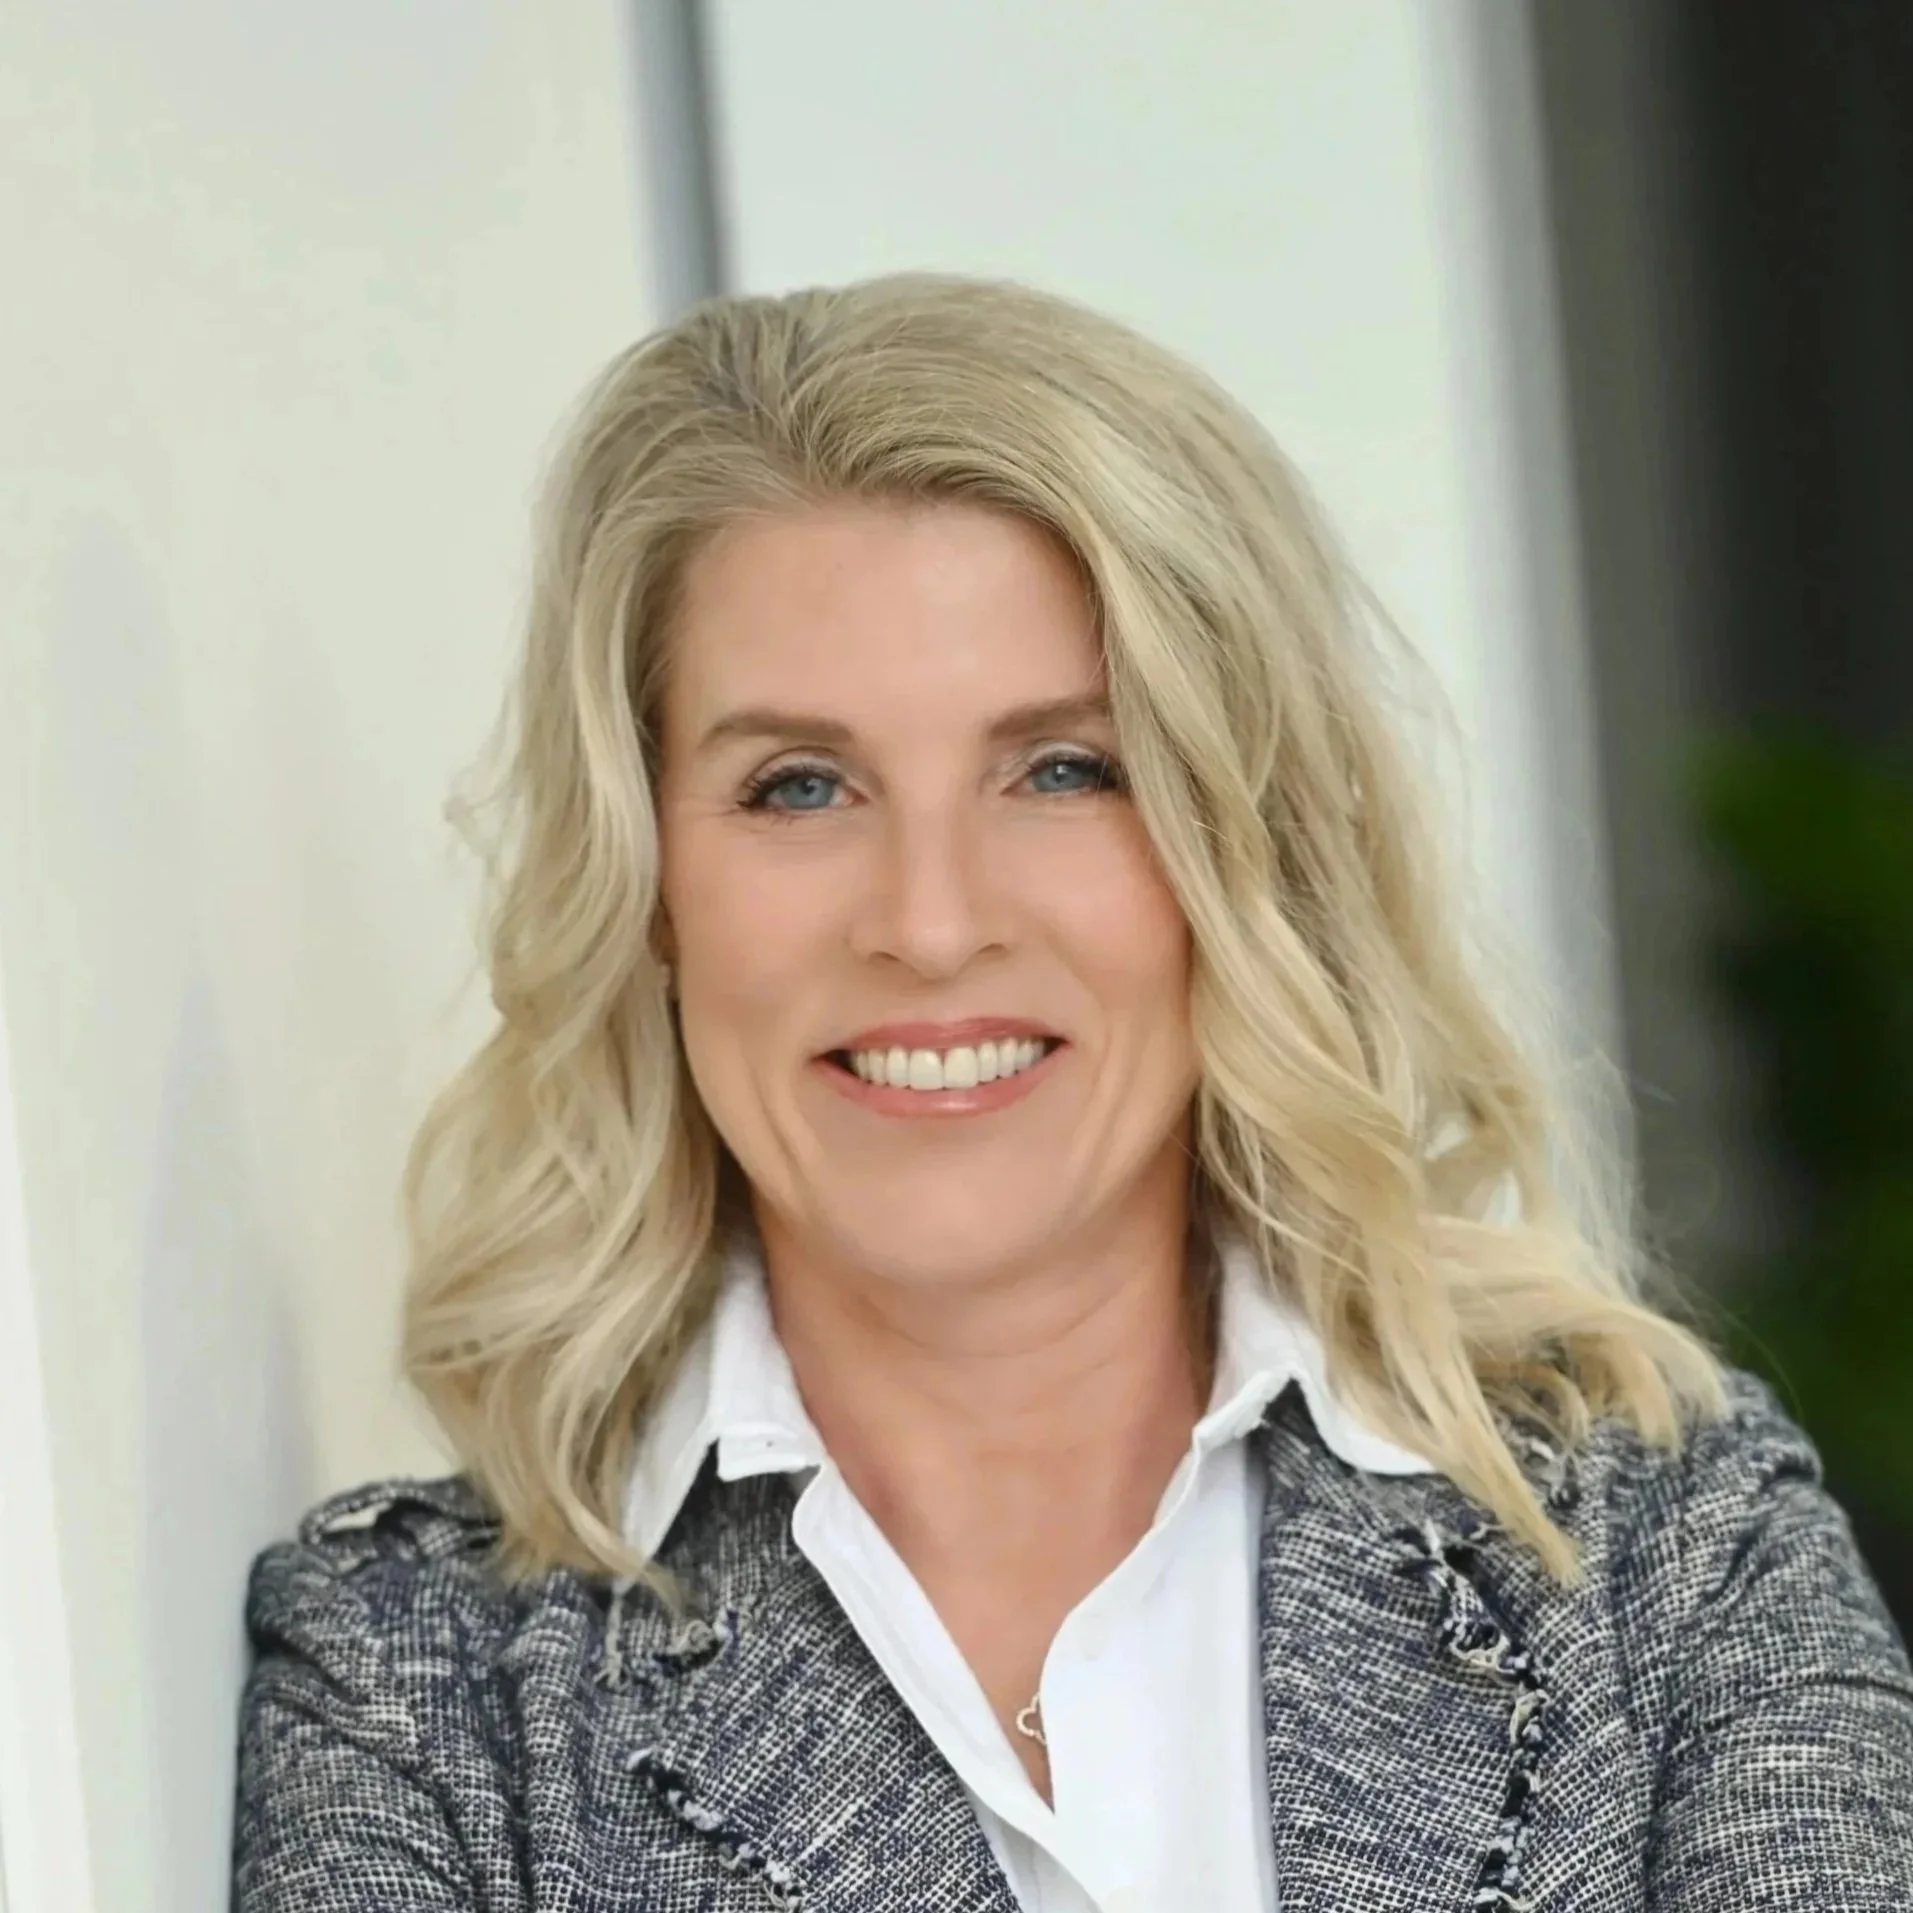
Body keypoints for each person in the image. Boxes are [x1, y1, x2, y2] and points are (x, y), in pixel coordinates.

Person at [233, 274, 1913, 1912]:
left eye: (1063, 769)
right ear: (649, 886)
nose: (932, 921)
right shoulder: (413, 1690)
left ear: (1244, 850)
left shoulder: (1664, 1549)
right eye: (799, 785)